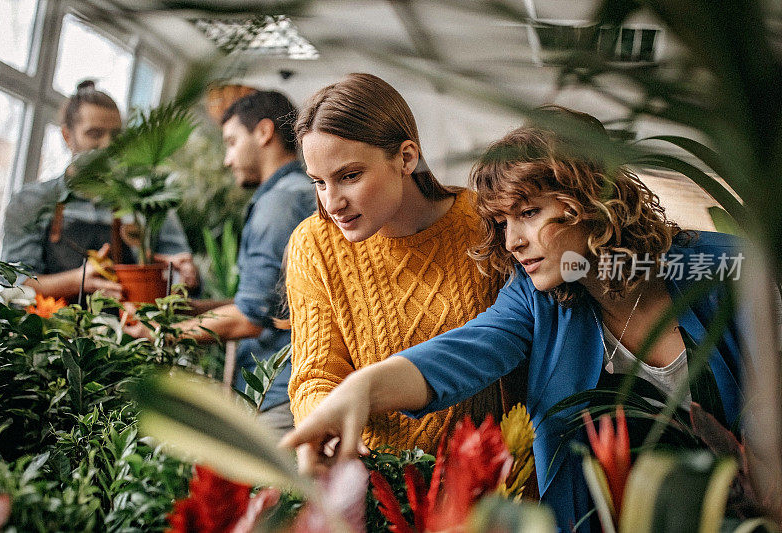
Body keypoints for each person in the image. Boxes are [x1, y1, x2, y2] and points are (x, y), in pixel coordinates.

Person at [282, 109, 748, 531]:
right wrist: (359, 392)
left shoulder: (723, 267)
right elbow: (462, 352)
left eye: (529, 213)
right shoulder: (537, 299)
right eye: (503, 221)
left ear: (591, 199)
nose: (513, 241)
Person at [285, 73, 506, 460]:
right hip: (377, 482)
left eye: (349, 176)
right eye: (319, 182)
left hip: (487, 481)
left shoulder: (485, 222)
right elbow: (315, 371)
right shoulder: (314, 243)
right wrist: (325, 427)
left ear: (406, 157)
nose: (332, 202)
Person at [128, 90, 316, 433]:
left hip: (279, 393)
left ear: (263, 133)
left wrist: (160, 333)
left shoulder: (279, 205)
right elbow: (272, 305)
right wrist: (193, 309)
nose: (228, 159)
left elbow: (249, 321)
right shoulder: (298, 192)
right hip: (294, 387)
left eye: (231, 142)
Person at [1, 80, 196, 300]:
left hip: (130, 329)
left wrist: (183, 274)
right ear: (67, 136)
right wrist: (79, 280)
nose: (107, 146)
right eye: (94, 134)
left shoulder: (147, 204)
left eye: (116, 136)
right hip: (49, 329)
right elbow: (13, 285)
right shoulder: (33, 202)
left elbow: (183, 278)